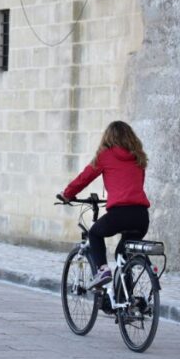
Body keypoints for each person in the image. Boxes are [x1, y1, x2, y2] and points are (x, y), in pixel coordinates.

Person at [61, 121, 150, 289]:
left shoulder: (105, 155)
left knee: (94, 234)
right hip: (141, 216)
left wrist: (67, 194)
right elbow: (135, 185)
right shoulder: (139, 156)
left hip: (120, 215)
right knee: (123, 255)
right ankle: (126, 302)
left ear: (108, 138)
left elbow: (84, 178)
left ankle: (103, 270)